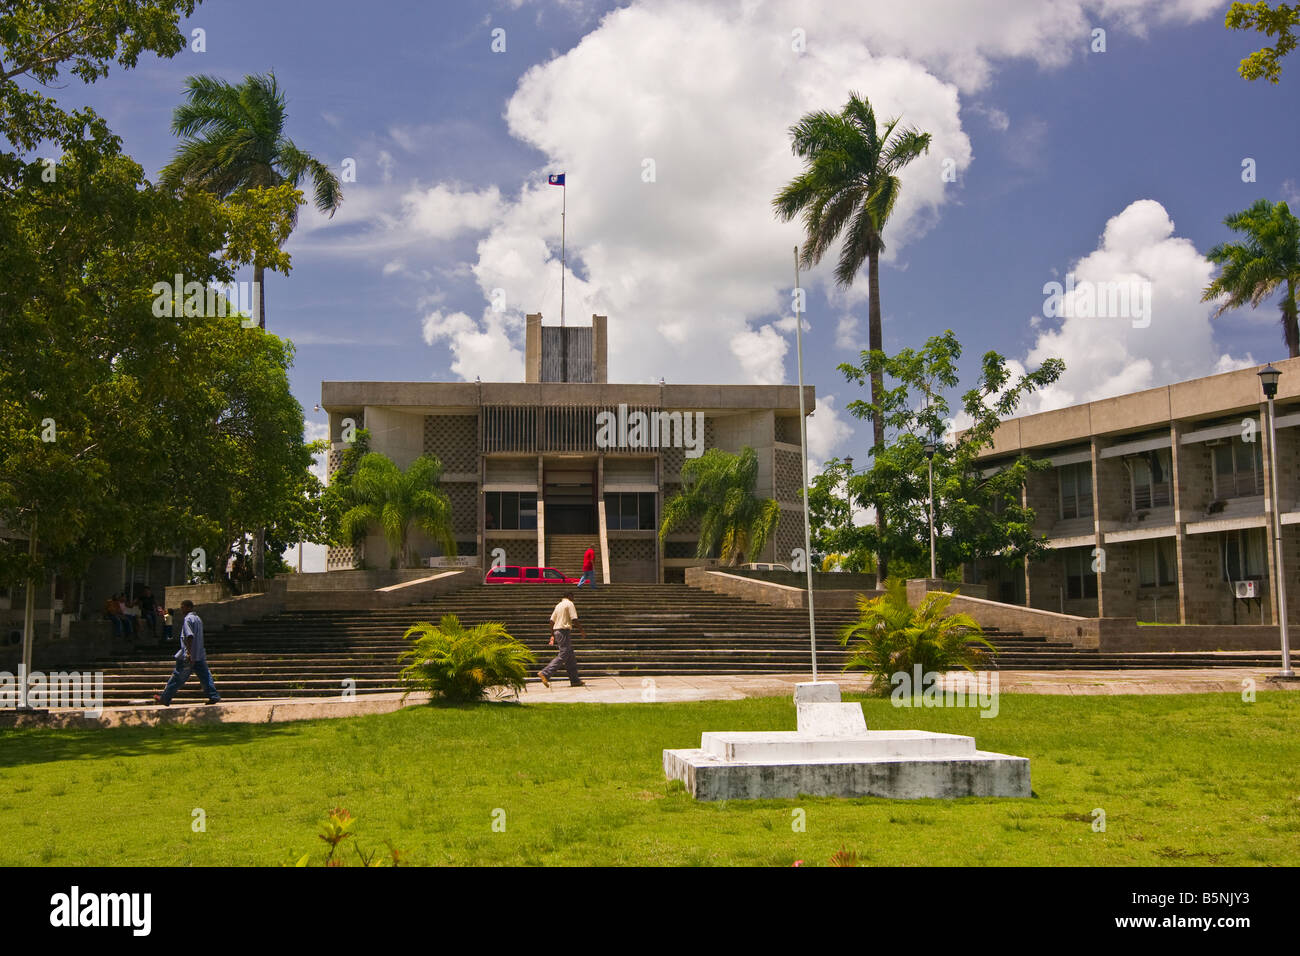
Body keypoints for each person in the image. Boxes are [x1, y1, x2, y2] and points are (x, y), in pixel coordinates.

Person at [153, 599, 221, 705]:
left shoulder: (187, 619)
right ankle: (213, 695)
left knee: (177, 677)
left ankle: (165, 698)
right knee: (205, 676)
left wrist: (189, 653)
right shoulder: (198, 619)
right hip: (199, 654)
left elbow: (189, 636)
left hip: (189, 655)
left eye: (182, 607)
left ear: (188, 607)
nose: (181, 609)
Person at [537, 591, 587, 688]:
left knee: (570, 656)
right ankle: (545, 673)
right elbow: (574, 619)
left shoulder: (558, 605)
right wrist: (582, 631)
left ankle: (574, 680)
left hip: (557, 631)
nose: (573, 598)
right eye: (573, 596)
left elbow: (551, 621)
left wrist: (552, 634)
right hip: (563, 631)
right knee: (564, 653)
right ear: (569, 596)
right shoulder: (569, 604)